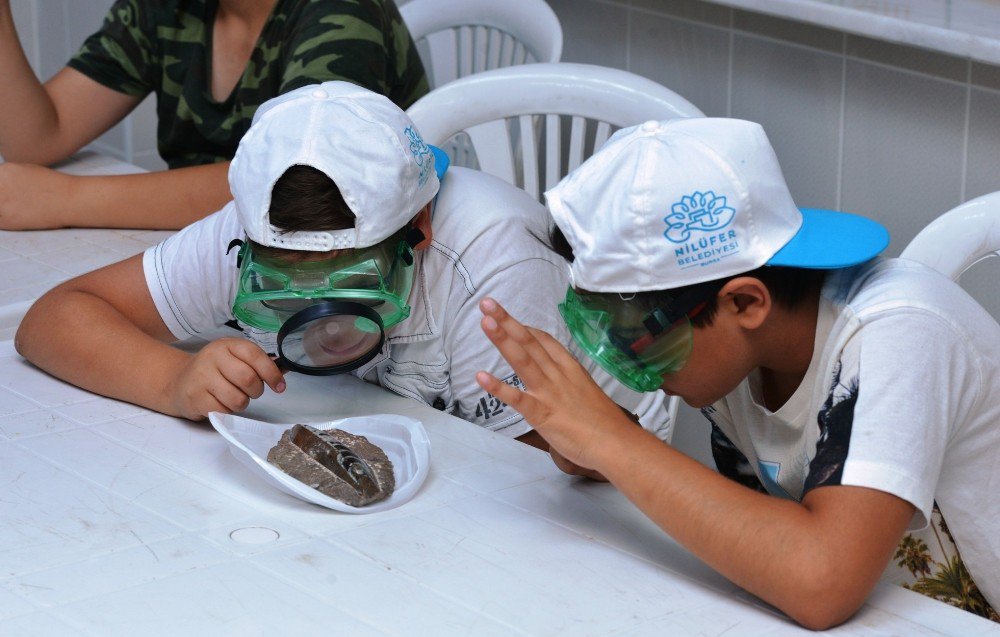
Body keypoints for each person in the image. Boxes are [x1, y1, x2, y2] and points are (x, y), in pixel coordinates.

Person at [474, 118, 1000, 628]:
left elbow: (822, 584)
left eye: (642, 338)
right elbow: (759, 535)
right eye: (605, 329)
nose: (630, 365)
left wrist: (614, 444)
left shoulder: (899, 333)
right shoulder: (740, 351)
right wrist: (604, 451)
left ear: (745, 302)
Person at [14, 81, 670, 451]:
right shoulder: (256, 232)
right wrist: (173, 377)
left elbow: (538, 477)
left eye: (349, 287)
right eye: (278, 289)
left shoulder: (493, 274)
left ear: (418, 231)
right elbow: (53, 319)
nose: (318, 323)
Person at [0, 0, 427, 231]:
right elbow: (35, 138)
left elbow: (292, 184)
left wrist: (64, 199)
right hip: (221, 258)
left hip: (347, 281)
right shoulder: (165, 9)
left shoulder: (342, 12)